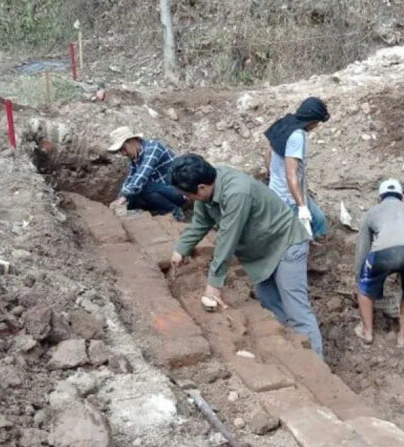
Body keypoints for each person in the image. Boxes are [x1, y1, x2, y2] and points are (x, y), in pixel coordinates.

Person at [168, 154, 324, 357]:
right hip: (262, 250)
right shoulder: (207, 193)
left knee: (296, 309)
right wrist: (181, 249)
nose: (186, 199)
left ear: (201, 188)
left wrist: (214, 284)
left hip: (286, 243)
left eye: (188, 195)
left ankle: (315, 362)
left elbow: (228, 237)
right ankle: (293, 348)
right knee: (270, 302)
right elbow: (200, 223)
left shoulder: (237, 192)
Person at [353, 179, 404, 347]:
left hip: (385, 252)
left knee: (365, 286)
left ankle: (367, 332)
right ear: (401, 198)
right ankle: (402, 336)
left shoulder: (372, 212)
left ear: (380, 198)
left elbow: (363, 248)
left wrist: (360, 277)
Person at [264, 97, 330, 239]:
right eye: (317, 123)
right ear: (312, 121)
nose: (316, 126)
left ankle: (319, 245)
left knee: (319, 221)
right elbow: (291, 174)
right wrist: (301, 206)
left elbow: (268, 153)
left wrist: (270, 173)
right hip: (288, 198)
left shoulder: (285, 123)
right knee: (300, 238)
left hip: (284, 190)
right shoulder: (297, 136)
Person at [106, 126, 186, 220]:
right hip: (163, 191)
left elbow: (142, 175)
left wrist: (124, 197)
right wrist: (119, 197)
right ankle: (153, 211)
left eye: (123, 149)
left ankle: (174, 212)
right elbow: (131, 178)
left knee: (143, 186)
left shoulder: (153, 147)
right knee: (128, 190)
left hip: (181, 191)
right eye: (120, 151)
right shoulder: (136, 157)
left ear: (131, 141)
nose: (123, 153)